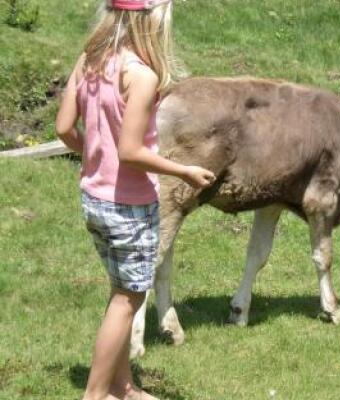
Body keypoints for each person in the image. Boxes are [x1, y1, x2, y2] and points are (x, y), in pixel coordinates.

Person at [55, 1, 214, 399]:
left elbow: (63, 128)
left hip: (94, 198)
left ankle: (122, 386)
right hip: (129, 206)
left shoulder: (90, 59)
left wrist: (93, 156)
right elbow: (130, 152)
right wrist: (184, 171)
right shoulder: (140, 76)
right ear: (152, 21)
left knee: (119, 290)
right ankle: (95, 394)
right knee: (129, 299)